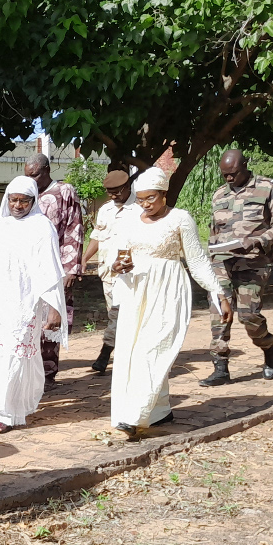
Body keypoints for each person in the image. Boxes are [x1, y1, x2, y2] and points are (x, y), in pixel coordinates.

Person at [110, 168, 231, 440]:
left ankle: (135, 416)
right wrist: (118, 265)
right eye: (140, 199)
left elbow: (197, 260)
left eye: (150, 198)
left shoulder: (180, 219)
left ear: (164, 194)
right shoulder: (130, 220)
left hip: (168, 290)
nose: (145, 204)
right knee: (132, 350)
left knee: (153, 349)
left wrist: (218, 293)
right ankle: (160, 410)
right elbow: (117, 257)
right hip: (135, 290)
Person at [0, 176, 66, 434]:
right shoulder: (0, 226)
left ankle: (8, 412)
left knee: (17, 353)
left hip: (26, 302)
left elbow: (50, 271)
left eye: (24, 200)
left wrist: (54, 309)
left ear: (33, 201)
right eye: (13, 200)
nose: (18, 205)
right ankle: (7, 408)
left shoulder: (42, 227)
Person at [200, 149, 273, 386]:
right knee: (219, 310)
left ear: (245, 166)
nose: (229, 179)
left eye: (233, 174)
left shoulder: (268, 188)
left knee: (249, 315)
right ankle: (220, 366)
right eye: (225, 175)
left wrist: (258, 241)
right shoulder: (219, 194)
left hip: (253, 261)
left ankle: (268, 347)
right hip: (222, 261)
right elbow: (214, 230)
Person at [24, 153, 82, 385]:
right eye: (28, 175)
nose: (32, 179)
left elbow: (74, 228)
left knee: (53, 319)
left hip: (56, 266)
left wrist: (71, 268)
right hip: (29, 268)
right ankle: (29, 370)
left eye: (35, 175)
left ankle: (48, 372)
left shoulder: (64, 192)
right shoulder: (27, 194)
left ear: (47, 170)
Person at [80, 169, 138, 374]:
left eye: (116, 192)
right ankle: (124, 354)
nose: (113, 196)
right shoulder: (106, 210)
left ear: (127, 187)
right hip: (108, 273)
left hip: (131, 273)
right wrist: (85, 258)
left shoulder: (141, 207)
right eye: (109, 192)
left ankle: (105, 353)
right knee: (115, 313)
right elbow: (97, 236)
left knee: (119, 313)